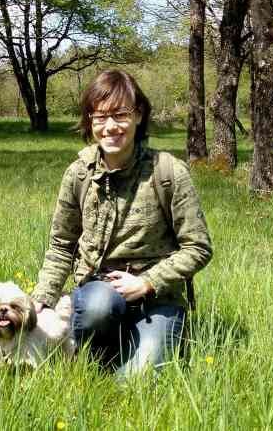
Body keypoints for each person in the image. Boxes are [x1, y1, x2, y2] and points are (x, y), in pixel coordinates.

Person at [31, 69, 212, 377]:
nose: (110, 127)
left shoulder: (168, 172)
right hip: (98, 295)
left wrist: (147, 282)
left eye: (120, 115)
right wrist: (41, 299)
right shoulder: (78, 174)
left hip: (159, 301)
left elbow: (198, 247)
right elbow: (62, 245)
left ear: (138, 115)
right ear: (90, 122)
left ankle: (130, 354)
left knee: (137, 382)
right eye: (100, 117)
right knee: (99, 306)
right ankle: (95, 352)